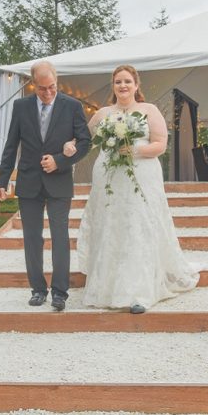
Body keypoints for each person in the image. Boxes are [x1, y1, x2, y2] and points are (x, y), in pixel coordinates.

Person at [75, 65, 199, 313]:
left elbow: (160, 144)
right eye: (118, 82)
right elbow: (84, 140)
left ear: (136, 85)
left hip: (141, 176)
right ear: (113, 85)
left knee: (138, 226)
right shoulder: (102, 114)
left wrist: (135, 150)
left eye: (127, 81)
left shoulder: (148, 110)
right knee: (111, 226)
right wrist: (69, 146)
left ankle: (140, 292)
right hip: (108, 177)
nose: (123, 86)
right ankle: (106, 287)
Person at [0, 60, 91, 311]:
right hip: (28, 182)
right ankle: (38, 289)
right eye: (42, 88)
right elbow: (11, 145)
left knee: (60, 237)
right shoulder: (20, 106)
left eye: (52, 87)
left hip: (59, 182)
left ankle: (60, 292)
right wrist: (2, 180)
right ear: (33, 85)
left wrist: (59, 161)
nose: (48, 93)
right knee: (32, 238)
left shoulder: (72, 106)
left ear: (57, 82)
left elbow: (85, 143)